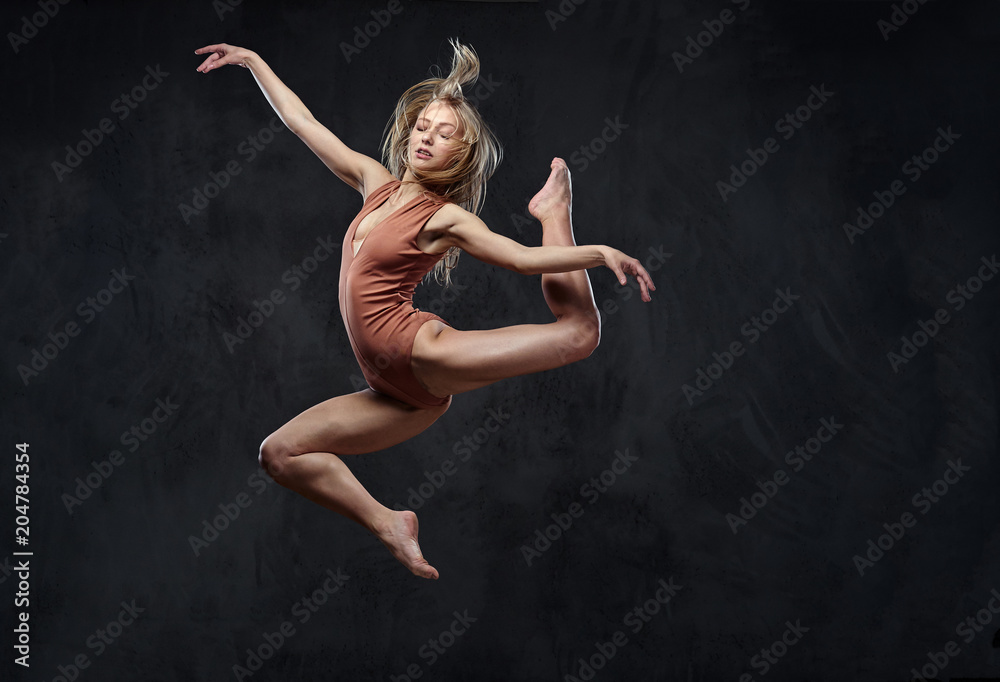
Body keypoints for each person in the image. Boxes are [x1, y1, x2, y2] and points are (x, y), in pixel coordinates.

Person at [194, 39, 655, 579]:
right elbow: (302, 122)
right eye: (422, 127)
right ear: (408, 132)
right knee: (279, 455)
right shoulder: (373, 182)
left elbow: (523, 260)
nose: (427, 138)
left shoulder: (444, 219)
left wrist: (598, 251)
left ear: (457, 155)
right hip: (395, 395)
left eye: (444, 134)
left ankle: (555, 210)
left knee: (579, 334)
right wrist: (252, 61)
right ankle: (390, 524)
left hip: (420, 354)